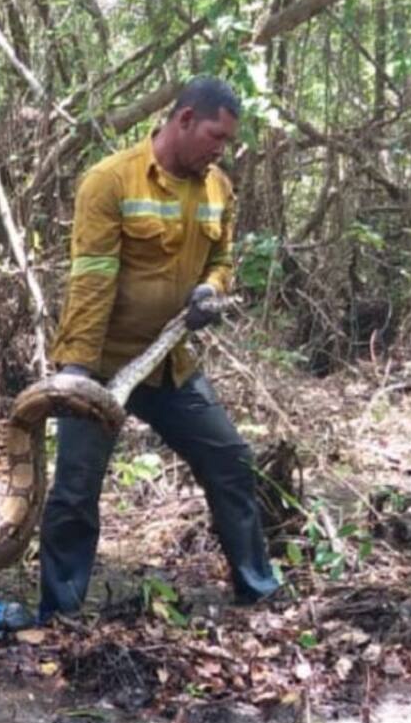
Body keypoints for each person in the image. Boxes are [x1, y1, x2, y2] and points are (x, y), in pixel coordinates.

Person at [40, 76, 280, 622]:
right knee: (75, 491)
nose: (221, 150)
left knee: (230, 461)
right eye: (215, 136)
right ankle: (58, 617)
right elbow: (92, 280)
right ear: (185, 119)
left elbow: (221, 260)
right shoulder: (110, 181)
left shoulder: (218, 187)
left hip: (171, 363)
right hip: (102, 364)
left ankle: (258, 592)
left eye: (228, 142)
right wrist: (77, 373)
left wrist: (212, 290)